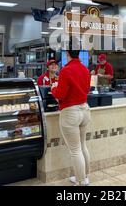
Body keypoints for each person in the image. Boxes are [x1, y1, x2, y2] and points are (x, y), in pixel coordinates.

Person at [51, 41, 91, 186]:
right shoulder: (85, 69)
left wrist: (53, 88)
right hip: (85, 110)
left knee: (75, 150)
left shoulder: (65, 70)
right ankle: (85, 177)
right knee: (82, 146)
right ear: (78, 53)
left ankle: (80, 181)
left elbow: (60, 95)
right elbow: (86, 90)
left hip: (70, 113)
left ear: (67, 54)